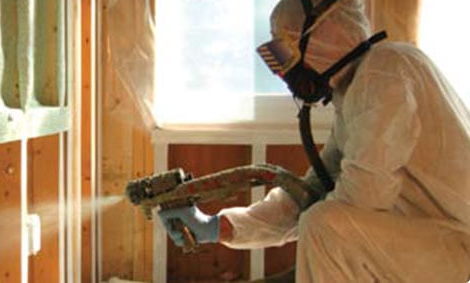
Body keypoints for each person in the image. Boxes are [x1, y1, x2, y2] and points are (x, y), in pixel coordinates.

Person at [158, 0, 470, 281]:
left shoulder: (386, 72)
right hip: (431, 242)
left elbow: (361, 198)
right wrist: (220, 227)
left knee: (325, 226)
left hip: (457, 247)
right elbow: (310, 194)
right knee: (324, 222)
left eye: (288, 49)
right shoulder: (354, 92)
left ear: (324, 34)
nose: (288, 70)